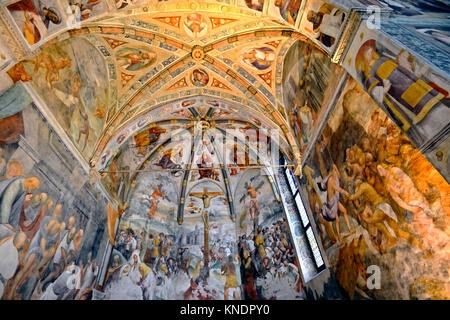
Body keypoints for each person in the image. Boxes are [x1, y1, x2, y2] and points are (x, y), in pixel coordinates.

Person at [0, 232, 27, 298]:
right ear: (21, 244)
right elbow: (9, 275)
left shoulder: (8, 241)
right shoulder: (14, 257)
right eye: (23, 242)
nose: (23, 244)